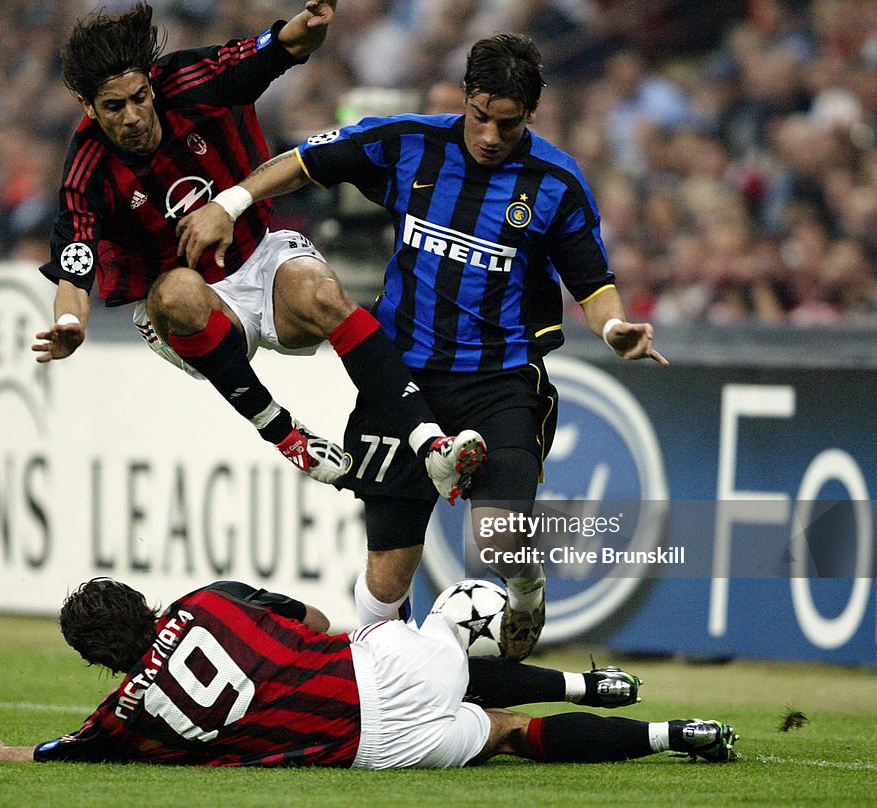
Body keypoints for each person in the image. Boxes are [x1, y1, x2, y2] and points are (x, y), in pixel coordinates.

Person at [176, 33, 669, 658]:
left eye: (508, 125)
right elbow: (305, 161)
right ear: (465, 97)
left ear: (533, 113)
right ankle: (380, 680)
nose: (490, 136)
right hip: (399, 378)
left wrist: (613, 327)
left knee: (496, 541)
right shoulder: (410, 141)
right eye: (481, 117)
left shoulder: (556, 183)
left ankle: (526, 588)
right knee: (387, 571)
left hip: (500, 380)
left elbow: (593, 282)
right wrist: (233, 201)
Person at [31, 2, 486, 502]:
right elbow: (74, 274)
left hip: (258, 252)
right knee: (178, 291)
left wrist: (310, 26)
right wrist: (71, 326)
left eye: (140, 97)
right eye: (115, 107)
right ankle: (283, 433)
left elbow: (284, 47)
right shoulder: (87, 172)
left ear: (151, 84)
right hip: (189, 300)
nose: (135, 116)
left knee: (327, 297)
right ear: (87, 106)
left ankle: (432, 446)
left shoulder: (191, 80)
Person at [0, 578, 738, 767]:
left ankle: (674, 736)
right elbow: (314, 623)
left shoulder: (124, 717)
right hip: (372, 668)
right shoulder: (209, 600)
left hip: (372, 750)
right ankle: (585, 680)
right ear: (142, 601)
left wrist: (1, 753)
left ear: (96, 658)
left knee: (508, 736)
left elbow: (67, 749)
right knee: (462, 614)